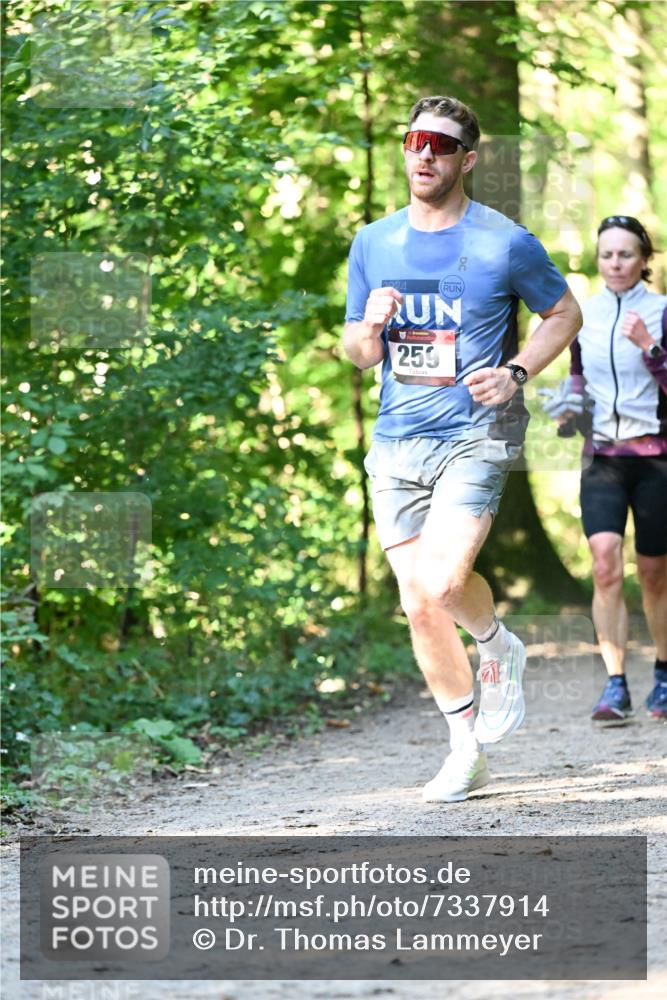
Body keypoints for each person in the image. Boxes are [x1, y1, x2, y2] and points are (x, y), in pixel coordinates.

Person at [343, 95, 582, 802]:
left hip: (478, 430)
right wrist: (370, 328)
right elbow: (357, 351)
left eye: (442, 145)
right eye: (415, 140)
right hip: (396, 441)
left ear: (467, 159)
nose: (424, 153)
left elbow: (563, 311)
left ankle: (496, 642)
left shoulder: (504, 242)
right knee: (418, 603)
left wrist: (516, 373)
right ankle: (465, 749)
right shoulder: (373, 243)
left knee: (443, 581)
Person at [550, 216, 667, 722]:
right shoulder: (585, 316)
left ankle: (663, 674)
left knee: (655, 574)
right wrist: (568, 411)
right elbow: (578, 378)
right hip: (602, 458)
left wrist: (649, 346)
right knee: (603, 563)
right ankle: (615, 683)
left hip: (656, 460)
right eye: (607, 255)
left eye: (625, 254)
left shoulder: (662, 311)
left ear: (644, 260)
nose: (615, 263)